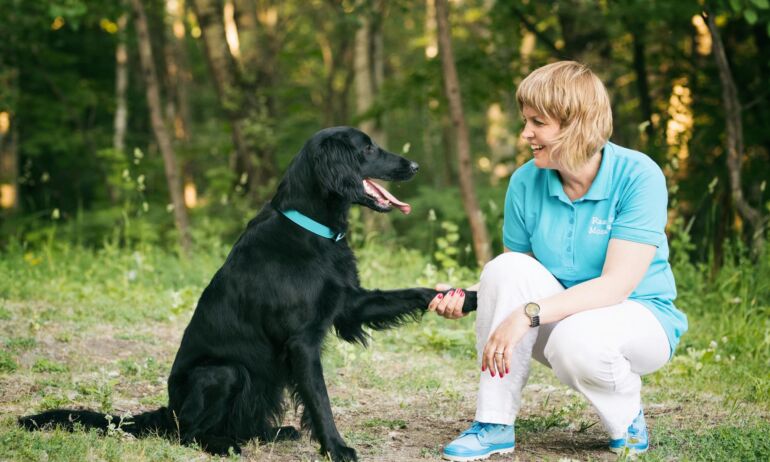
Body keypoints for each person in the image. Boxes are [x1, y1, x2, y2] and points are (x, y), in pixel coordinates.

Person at [427, 61, 687, 461]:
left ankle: (627, 416)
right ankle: (494, 423)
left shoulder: (639, 176)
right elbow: (519, 276)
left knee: (575, 341)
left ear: (576, 124)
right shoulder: (525, 181)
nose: (525, 134)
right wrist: (471, 296)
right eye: (525, 121)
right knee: (502, 267)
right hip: (558, 313)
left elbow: (615, 286)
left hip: (640, 317)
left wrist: (527, 313)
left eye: (538, 122)